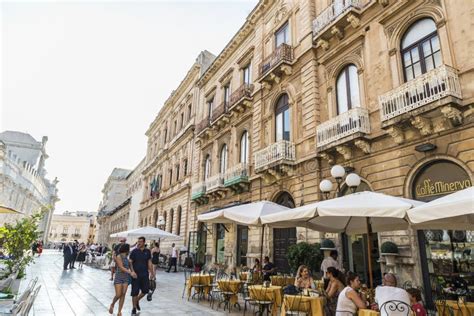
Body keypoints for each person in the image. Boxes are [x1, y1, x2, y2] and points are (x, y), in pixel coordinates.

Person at [129, 236, 155, 315]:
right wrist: (132, 272)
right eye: (138, 241)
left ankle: (136, 301)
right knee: (135, 292)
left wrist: (152, 273)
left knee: (145, 291)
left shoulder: (148, 251)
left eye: (140, 241)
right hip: (135, 275)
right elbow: (130, 262)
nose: (139, 243)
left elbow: (149, 263)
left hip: (145, 274)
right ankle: (134, 308)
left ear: (144, 242)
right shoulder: (134, 251)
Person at [109, 243, 135, 316]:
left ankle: (119, 311)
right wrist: (130, 272)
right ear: (126, 249)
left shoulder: (127, 257)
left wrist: (133, 271)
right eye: (128, 249)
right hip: (119, 277)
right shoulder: (119, 256)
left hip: (126, 278)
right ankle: (112, 304)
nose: (129, 250)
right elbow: (121, 267)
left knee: (123, 294)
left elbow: (130, 266)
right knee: (118, 294)